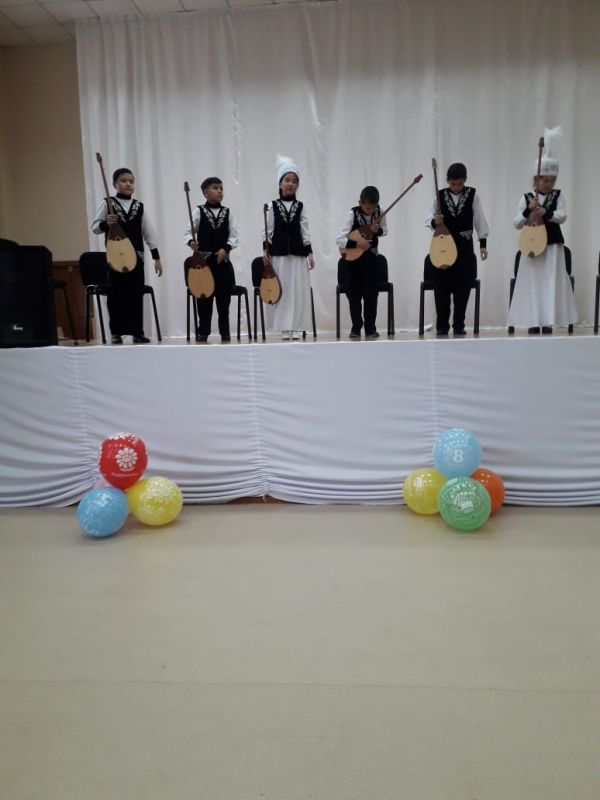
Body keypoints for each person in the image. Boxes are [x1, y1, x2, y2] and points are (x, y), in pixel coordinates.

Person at [508, 128, 577, 334]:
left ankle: (548, 320)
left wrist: (546, 212)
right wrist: (529, 211)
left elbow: (562, 216)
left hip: (552, 246)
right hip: (531, 245)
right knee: (533, 284)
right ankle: (533, 320)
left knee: (550, 283)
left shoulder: (558, 195)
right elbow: (516, 223)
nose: (549, 184)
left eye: (552, 180)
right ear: (536, 179)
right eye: (545, 180)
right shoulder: (527, 197)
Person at [91, 167, 162, 344]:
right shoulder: (108, 203)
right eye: (124, 181)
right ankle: (116, 332)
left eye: (131, 181)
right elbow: (95, 227)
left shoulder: (139, 207)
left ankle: (137, 332)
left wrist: (156, 257)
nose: (128, 184)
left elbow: (149, 232)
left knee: (135, 294)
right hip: (116, 257)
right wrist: (106, 224)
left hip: (136, 257)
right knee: (116, 294)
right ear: (115, 184)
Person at [427, 163, 488, 336]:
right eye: (452, 184)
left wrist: (483, 243)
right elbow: (428, 218)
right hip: (443, 248)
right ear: (447, 181)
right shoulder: (439, 196)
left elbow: (480, 220)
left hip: (464, 250)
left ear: (465, 180)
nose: (456, 187)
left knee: (463, 289)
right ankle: (442, 326)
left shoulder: (472, 195)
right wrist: (435, 222)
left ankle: (459, 324)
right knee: (442, 290)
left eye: (459, 184)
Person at [263, 155, 314, 340]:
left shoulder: (301, 206)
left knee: (297, 291)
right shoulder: (272, 206)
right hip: (279, 255)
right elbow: (267, 231)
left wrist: (309, 253)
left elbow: (305, 231)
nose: (291, 184)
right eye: (287, 180)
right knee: (283, 290)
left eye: (294, 181)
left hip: (298, 256)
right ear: (280, 183)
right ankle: (284, 327)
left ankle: (297, 327)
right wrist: (265, 251)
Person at [184, 177, 239, 342]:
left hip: (222, 263)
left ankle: (225, 332)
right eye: (215, 188)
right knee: (204, 298)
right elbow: (188, 232)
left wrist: (226, 248)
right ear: (205, 193)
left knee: (223, 300)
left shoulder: (228, 212)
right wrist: (191, 242)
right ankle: (203, 331)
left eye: (221, 188)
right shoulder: (198, 211)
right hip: (203, 264)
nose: (220, 191)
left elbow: (234, 236)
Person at [336, 185, 388, 339]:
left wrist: (377, 230)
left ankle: (370, 328)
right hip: (353, 262)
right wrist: (357, 244)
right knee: (354, 295)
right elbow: (339, 239)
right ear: (360, 203)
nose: (370, 211)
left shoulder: (380, 211)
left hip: (371, 259)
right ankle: (356, 328)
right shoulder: (352, 214)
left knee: (371, 294)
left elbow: (385, 230)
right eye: (367, 208)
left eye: (373, 208)